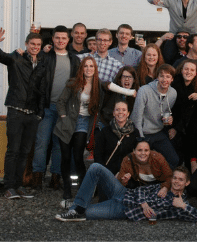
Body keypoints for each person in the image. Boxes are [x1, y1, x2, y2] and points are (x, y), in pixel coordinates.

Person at [0, 27, 47, 199]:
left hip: (32, 114)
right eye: (32, 44)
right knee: (13, 150)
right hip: (16, 111)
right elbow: (1, 56)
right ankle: (9, 187)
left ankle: (19, 185)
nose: (35, 47)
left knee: (24, 151)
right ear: (26, 44)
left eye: (38, 44)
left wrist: (39, 114)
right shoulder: (17, 58)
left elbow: (42, 91)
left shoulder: (41, 65)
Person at [54, 164, 197, 223]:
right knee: (95, 168)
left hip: (123, 210)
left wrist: (184, 207)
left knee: (88, 214)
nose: (176, 182)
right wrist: (144, 203)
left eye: (180, 180)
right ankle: (77, 206)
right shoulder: (163, 186)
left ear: (187, 183)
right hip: (123, 192)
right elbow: (140, 190)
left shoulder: (178, 206)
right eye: (175, 178)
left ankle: (76, 207)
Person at [32, 26, 79, 191]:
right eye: (57, 38)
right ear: (52, 39)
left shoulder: (74, 60)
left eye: (63, 38)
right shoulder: (45, 57)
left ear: (68, 40)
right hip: (47, 107)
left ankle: (55, 178)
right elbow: (36, 80)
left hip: (64, 110)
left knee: (60, 145)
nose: (60, 41)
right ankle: (37, 177)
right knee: (41, 143)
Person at [54, 57, 102, 203]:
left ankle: (83, 189)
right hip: (68, 121)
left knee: (78, 156)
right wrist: (63, 117)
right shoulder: (73, 83)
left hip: (83, 122)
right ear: (82, 68)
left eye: (91, 66)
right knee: (66, 157)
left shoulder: (97, 86)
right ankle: (67, 190)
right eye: (86, 66)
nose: (88, 69)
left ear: (95, 69)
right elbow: (60, 101)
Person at [131, 64, 181, 167]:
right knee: (143, 162)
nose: (164, 79)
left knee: (174, 160)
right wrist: (141, 139)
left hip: (158, 132)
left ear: (172, 79)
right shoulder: (144, 91)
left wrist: (169, 120)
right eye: (161, 76)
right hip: (142, 133)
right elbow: (136, 118)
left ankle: (161, 181)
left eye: (168, 76)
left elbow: (164, 113)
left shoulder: (173, 93)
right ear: (157, 77)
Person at [170, 59, 197, 165]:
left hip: (189, 130)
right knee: (175, 158)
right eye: (186, 69)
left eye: (192, 70)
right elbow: (173, 109)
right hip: (174, 127)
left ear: (195, 73)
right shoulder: (174, 85)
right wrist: (173, 128)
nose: (189, 72)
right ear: (181, 70)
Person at [94, 101, 140, 174]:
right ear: (113, 113)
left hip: (127, 174)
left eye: (124, 110)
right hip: (108, 173)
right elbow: (98, 155)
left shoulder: (134, 132)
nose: (120, 112)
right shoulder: (105, 132)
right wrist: (103, 172)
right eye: (117, 110)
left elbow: (137, 156)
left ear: (128, 113)